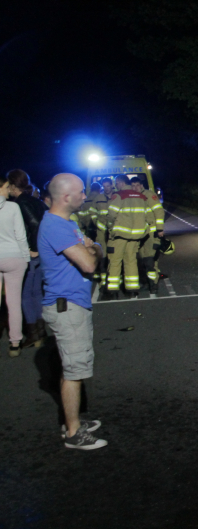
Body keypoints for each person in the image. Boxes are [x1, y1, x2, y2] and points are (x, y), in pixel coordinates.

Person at [39, 174, 107, 450]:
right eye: (80, 192)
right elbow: (89, 263)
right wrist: (93, 251)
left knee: (74, 366)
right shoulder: (56, 226)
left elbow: (94, 248)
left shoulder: (68, 223)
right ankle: (74, 433)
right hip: (67, 306)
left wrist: (95, 249)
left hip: (73, 302)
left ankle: (73, 420)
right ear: (66, 197)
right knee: (74, 370)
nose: (84, 196)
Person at [7, 169, 48, 349]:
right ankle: (41, 332)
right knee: (37, 292)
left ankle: (33, 334)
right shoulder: (36, 201)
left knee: (25, 294)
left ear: (14, 186)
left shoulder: (20, 203)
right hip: (42, 252)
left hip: (31, 253)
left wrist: (32, 248)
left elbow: (34, 224)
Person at [105, 175, 155, 298]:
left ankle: (113, 291)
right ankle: (133, 289)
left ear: (120, 183)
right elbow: (149, 217)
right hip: (136, 236)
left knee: (115, 261)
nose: (116, 186)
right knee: (131, 261)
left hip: (120, 235)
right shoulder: (141, 197)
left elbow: (111, 214)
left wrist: (110, 228)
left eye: (116, 183)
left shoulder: (119, 195)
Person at [0, 172, 31, 357]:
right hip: (13, 257)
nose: (8, 190)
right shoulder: (12, 208)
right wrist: (26, 258)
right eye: (5, 187)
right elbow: (21, 235)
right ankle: (15, 343)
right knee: (13, 302)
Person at [130, 177, 164, 293]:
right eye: (133, 186)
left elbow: (158, 211)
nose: (135, 188)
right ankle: (146, 282)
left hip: (150, 233)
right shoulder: (132, 198)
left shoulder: (149, 195)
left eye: (137, 185)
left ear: (141, 185)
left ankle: (153, 284)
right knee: (141, 260)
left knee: (150, 260)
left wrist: (159, 229)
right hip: (138, 234)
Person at [91, 178, 114, 284]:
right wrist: (97, 223)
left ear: (112, 185)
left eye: (108, 186)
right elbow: (92, 212)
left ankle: (115, 277)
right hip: (101, 230)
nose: (106, 188)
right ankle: (104, 281)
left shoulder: (117, 197)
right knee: (103, 255)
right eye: (104, 186)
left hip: (114, 230)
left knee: (114, 255)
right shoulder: (98, 198)